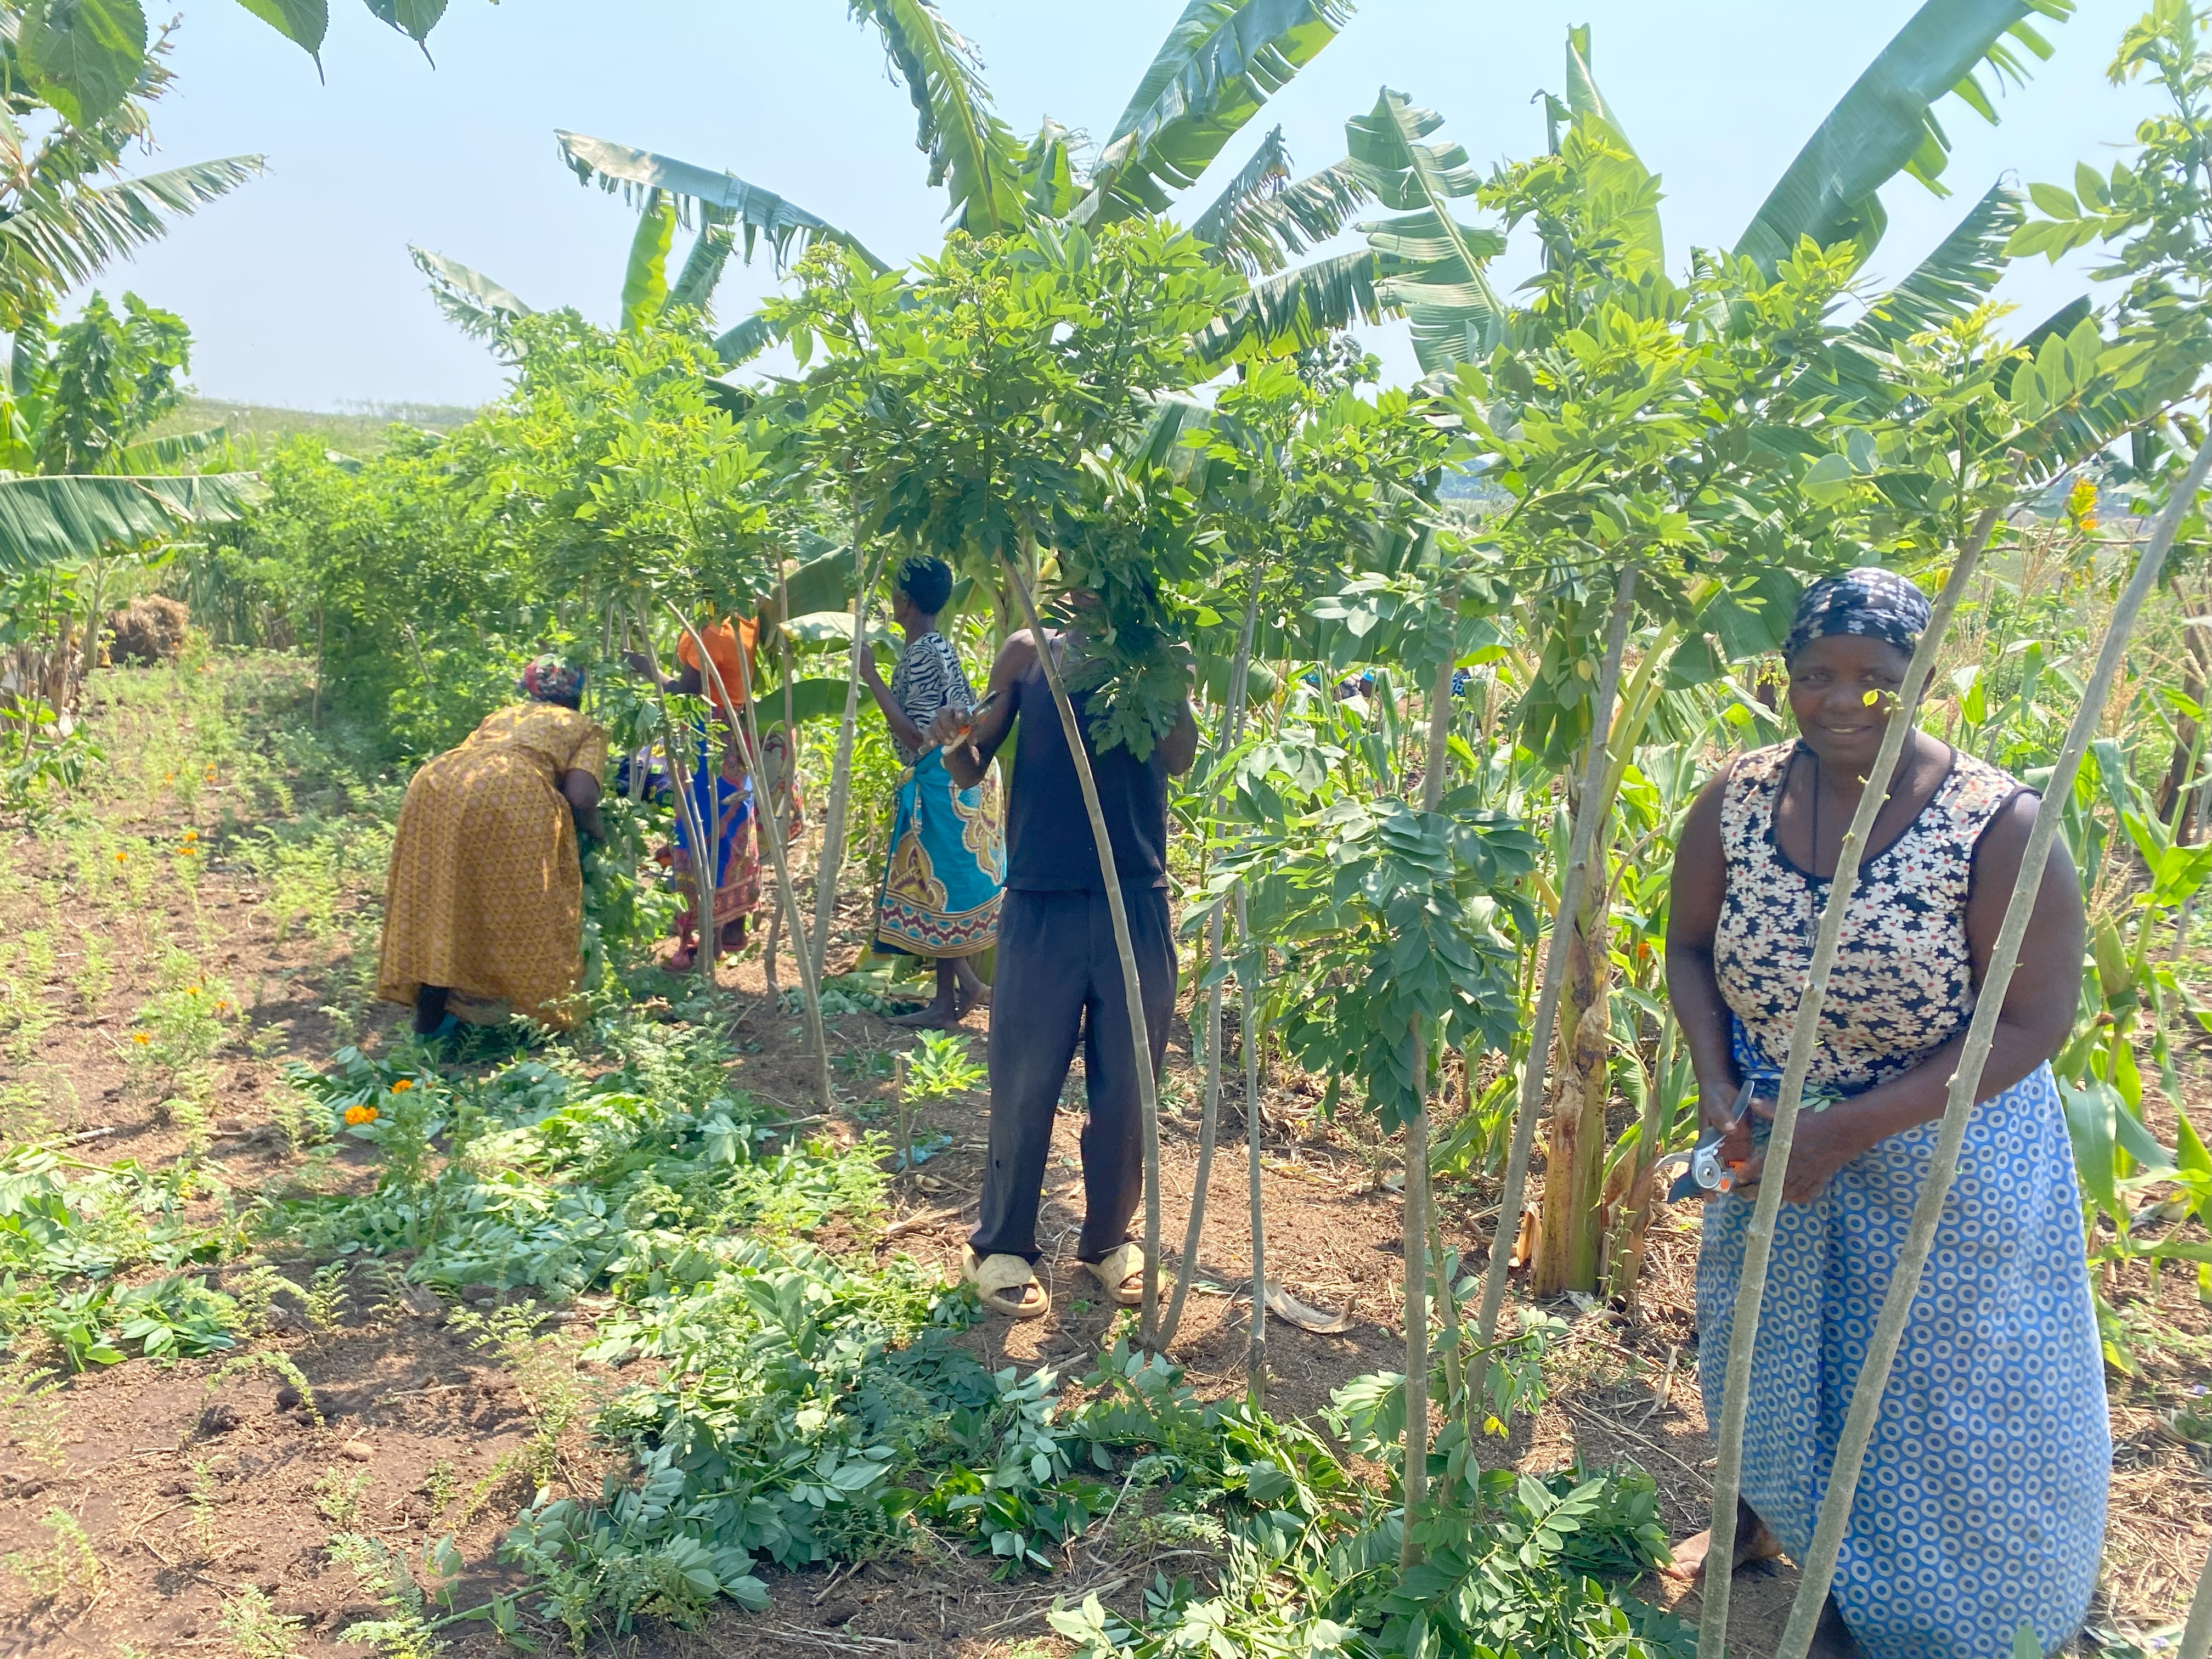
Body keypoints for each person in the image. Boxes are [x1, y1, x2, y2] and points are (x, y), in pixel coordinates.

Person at [1663, 568, 2104, 1659]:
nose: (1840, 701)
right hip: (1771, 1137)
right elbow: (1687, 949)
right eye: (1814, 675)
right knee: (1765, 1351)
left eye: (1876, 678)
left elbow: (2030, 1023)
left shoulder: (1997, 827)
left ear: (1928, 682)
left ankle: (1926, 1616)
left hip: (1942, 1149)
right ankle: (1776, 1528)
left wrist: (1847, 1131)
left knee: (1929, 1399)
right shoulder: (1739, 797)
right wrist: (1726, 1092)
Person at [926, 595, 1198, 1318]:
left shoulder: (1156, 653)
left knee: (1128, 1086)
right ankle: (1002, 1246)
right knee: (1023, 1079)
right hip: (1041, 901)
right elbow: (968, 766)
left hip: (1133, 896)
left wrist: (1171, 683)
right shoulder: (1027, 652)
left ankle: (1111, 1240)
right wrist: (952, 737)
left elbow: (1180, 759)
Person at [377, 655, 608, 1034]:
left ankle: (432, 1020)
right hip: (511, 789)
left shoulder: (506, 715)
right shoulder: (583, 727)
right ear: (578, 697)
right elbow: (581, 797)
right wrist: (598, 832)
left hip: (439, 782)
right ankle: (534, 1023)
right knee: (529, 909)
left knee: (447, 898)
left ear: (529, 690)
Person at [859, 556, 1003, 1026]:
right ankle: (970, 986)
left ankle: (944, 1005)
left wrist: (870, 676)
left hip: (941, 779)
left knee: (936, 887)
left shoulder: (922, 653)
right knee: (933, 884)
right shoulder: (935, 645)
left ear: (904, 600)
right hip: (952, 775)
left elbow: (916, 735)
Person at [624, 612, 797, 972]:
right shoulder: (746, 619)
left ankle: (704, 947)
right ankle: (726, 933)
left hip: (707, 740)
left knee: (700, 834)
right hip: (731, 738)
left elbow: (685, 692)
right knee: (727, 833)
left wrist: (645, 666)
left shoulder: (711, 633)